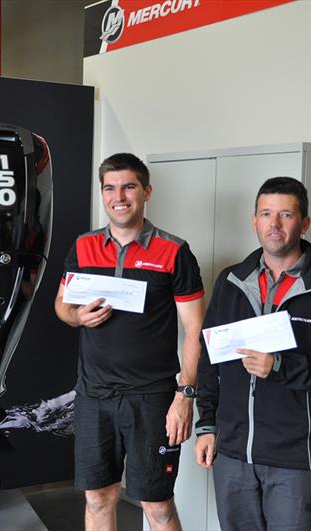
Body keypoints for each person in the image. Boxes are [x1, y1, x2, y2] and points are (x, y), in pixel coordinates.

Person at [194, 177, 311, 531]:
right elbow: (209, 359)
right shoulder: (231, 281)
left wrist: (282, 366)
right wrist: (207, 426)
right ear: (254, 221)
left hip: (299, 460)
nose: (274, 224)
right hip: (233, 455)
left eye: (286, 215)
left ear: (304, 224)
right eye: (266, 214)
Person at [54, 153, 205, 531]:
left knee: (157, 506)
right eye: (109, 187)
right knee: (98, 499)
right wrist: (76, 316)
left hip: (152, 399)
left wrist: (184, 396)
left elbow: (194, 331)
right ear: (102, 193)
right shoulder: (84, 246)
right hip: (94, 397)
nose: (118, 196)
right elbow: (61, 304)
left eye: (128, 186)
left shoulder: (174, 252)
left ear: (146, 191)